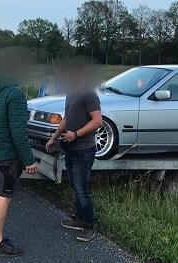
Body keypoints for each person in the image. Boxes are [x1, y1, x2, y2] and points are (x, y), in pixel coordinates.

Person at [0, 47, 37, 257]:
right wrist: (29, 160)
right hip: (6, 155)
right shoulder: (15, 93)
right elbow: (18, 132)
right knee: (4, 195)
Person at [45, 58, 102, 242]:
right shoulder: (72, 92)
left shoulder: (88, 93)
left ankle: (89, 225)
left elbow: (97, 121)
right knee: (75, 186)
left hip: (84, 149)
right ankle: (78, 219)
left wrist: (76, 134)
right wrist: (54, 138)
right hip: (70, 148)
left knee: (81, 188)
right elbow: (66, 119)